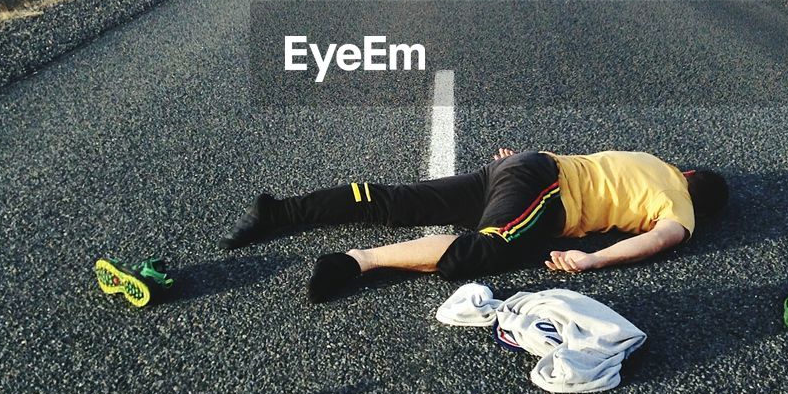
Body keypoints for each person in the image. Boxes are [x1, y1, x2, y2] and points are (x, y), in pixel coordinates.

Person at [221, 148, 729, 302]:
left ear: (687, 172)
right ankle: (357, 261)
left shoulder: (655, 162)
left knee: (398, 202)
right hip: (544, 191)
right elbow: (660, 239)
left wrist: (512, 167)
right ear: (699, 204)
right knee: (486, 250)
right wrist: (591, 258)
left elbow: (588, 164)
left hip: (521, 167)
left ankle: (280, 212)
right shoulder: (681, 207)